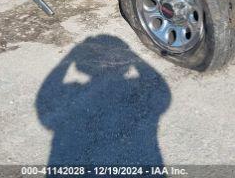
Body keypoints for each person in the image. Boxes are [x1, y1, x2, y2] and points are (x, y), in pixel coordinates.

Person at [36, 35, 171, 166]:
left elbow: (45, 98)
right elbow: (161, 89)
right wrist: (132, 55)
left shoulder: (72, 95)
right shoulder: (139, 93)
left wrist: (70, 56)